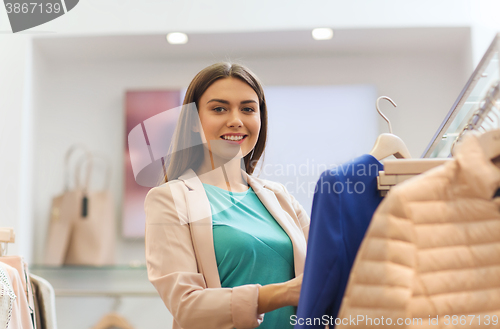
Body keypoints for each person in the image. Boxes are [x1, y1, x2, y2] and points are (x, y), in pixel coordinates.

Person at [144, 62, 310, 329]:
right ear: (195, 122)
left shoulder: (280, 197)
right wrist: (283, 293)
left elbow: (329, 264)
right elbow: (186, 306)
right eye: (219, 108)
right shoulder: (169, 198)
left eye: (248, 109)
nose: (236, 120)